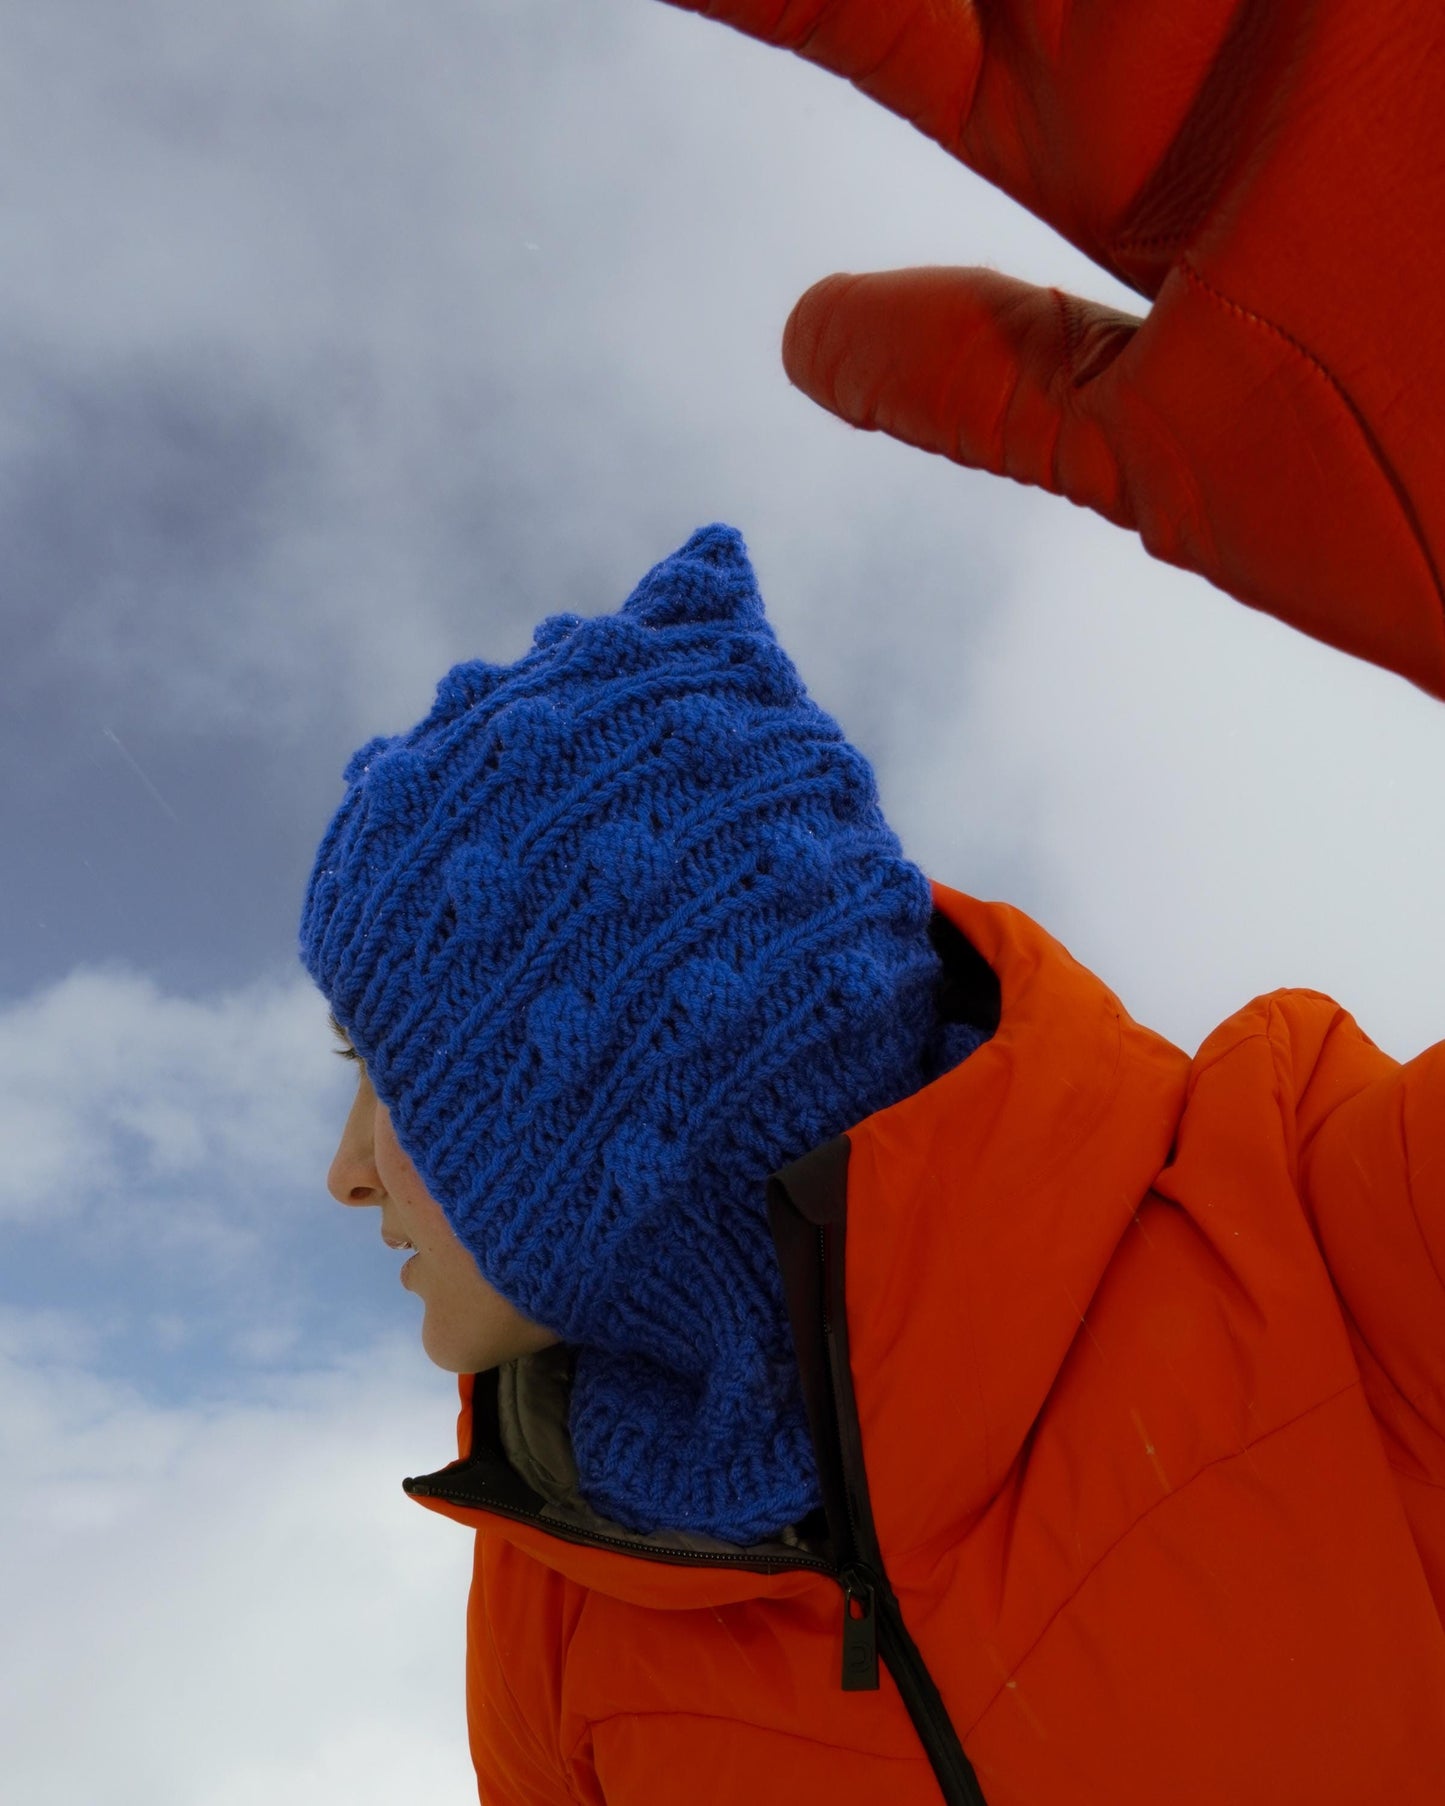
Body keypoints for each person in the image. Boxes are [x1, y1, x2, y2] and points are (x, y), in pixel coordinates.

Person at [304, 3, 1445, 1801]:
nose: (343, 1170)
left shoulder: (1310, 1228)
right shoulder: (559, 1592)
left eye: (386, 1071)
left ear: (607, 1073)